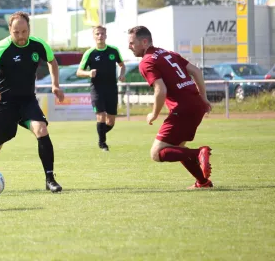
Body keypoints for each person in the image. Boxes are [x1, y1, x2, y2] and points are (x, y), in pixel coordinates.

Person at [0, 11, 65, 194]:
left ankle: (50, 179)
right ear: (10, 30)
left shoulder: (38, 45)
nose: (21, 36)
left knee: (41, 129)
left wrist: (55, 85)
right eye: (16, 32)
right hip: (3, 103)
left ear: (29, 29)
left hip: (27, 101)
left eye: (24, 31)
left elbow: (52, 61)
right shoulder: (1, 47)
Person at [127, 26, 213, 189]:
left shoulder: (147, 61)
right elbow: (196, 71)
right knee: (177, 148)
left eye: (132, 43)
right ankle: (203, 182)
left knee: (157, 153)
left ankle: (199, 153)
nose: (129, 47)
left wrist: (154, 114)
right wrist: (203, 97)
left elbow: (161, 90)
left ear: (144, 42)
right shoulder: (168, 53)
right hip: (196, 105)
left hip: (183, 108)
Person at [76, 26, 126, 151]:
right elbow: (79, 71)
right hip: (97, 89)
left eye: (102, 34)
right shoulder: (90, 53)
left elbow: (122, 65)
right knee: (101, 115)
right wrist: (88, 73)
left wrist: (122, 74)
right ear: (94, 36)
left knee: (111, 121)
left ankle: (101, 134)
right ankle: (102, 143)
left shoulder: (113, 50)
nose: (100, 36)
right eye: (97, 34)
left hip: (112, 89)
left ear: (106, 35)